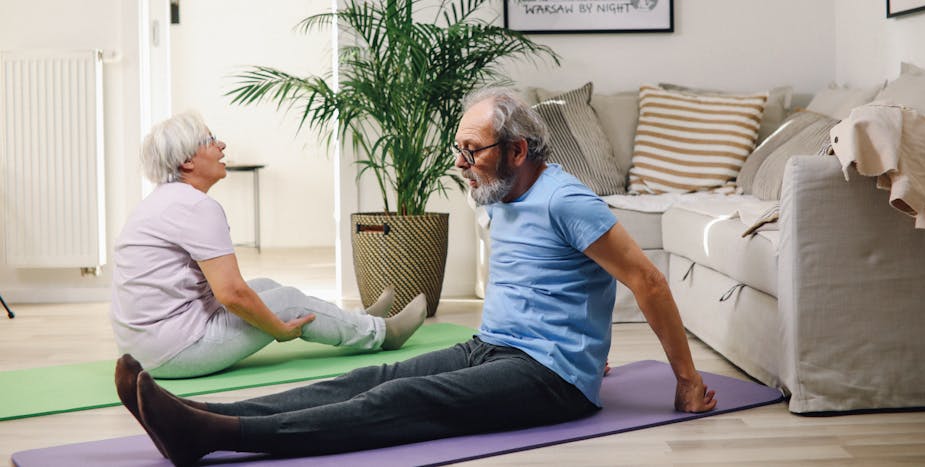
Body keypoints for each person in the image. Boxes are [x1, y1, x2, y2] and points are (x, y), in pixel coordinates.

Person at [115, 91, 717, 467]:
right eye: (458, 150)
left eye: (472, 151)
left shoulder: (568, 200)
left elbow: (648, 282)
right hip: (495, 349)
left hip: (550, 378)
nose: (462, 164)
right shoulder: (501, 191)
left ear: (519, 149)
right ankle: (191, 412)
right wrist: (589, 342)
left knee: (400, 400)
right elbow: (549, 285)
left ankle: (219, 436)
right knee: (367, 375)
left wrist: (684, 382)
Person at [110, 111, 427, 381]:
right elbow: (231, 294)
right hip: (173, 351)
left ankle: (356, 319)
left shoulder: (163, 201)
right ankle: (384, 334)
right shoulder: (195, 207)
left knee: (266, 286)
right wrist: (279, 329)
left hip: (144, 348)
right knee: (288, 301)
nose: (222, 145)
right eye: (210, 141)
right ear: (186, 161)